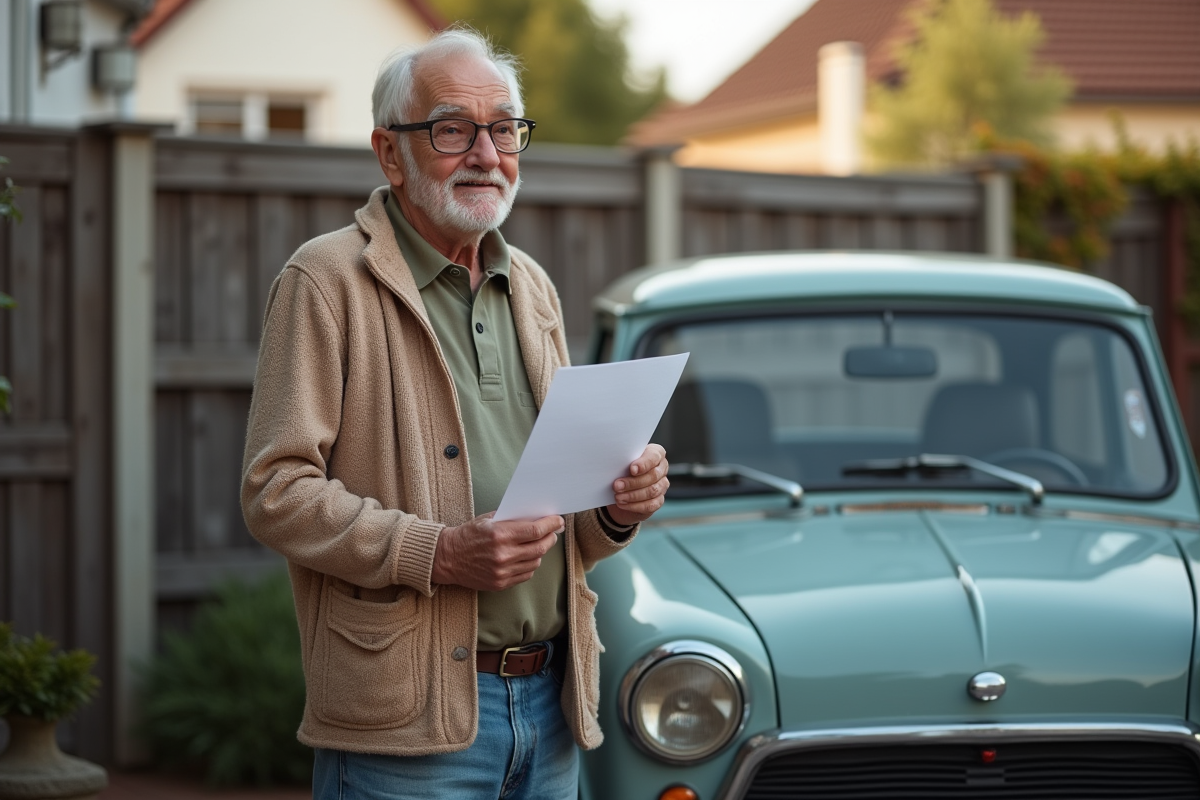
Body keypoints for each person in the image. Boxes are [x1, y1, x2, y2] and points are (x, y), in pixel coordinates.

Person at [239, 27, 669, 800]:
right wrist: (437, 553)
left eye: (504, 129)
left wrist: (616, 508)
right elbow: (276, 493)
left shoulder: (532, 284)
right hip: (405, 732)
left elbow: (564, 523)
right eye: (451, 129)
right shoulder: (325, 280)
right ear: (390, 153)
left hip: (553, 706)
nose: (485, 152)